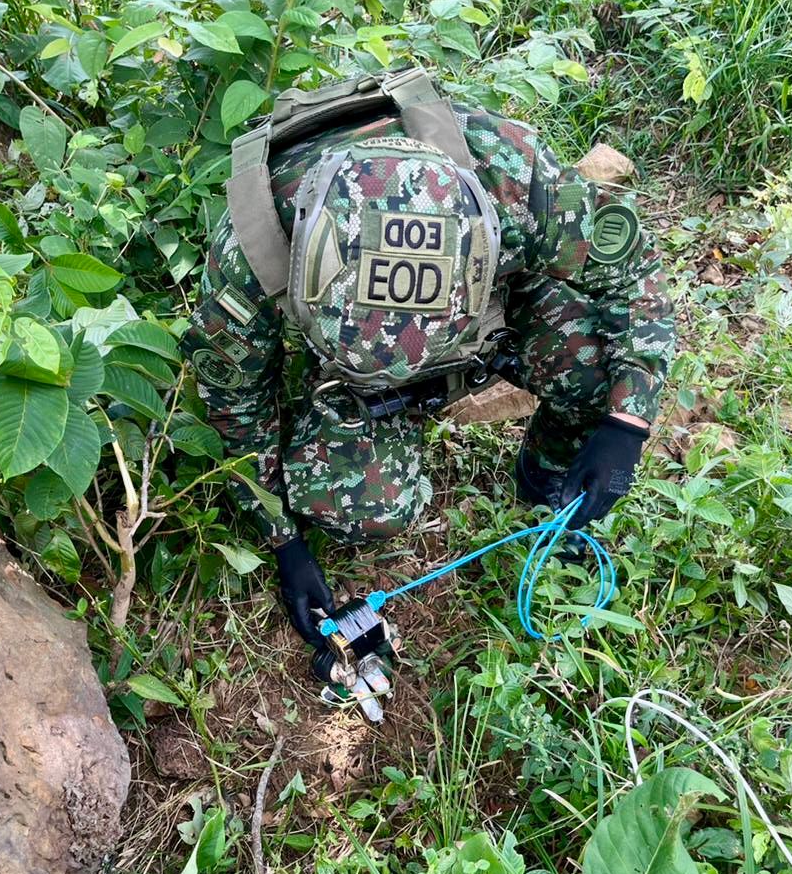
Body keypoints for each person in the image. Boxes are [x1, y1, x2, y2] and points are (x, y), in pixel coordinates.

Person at [181, 69, 673, 654]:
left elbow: (633, 273)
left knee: (596, 372)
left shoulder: (505, 174)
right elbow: (234, 404)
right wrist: (283, 541)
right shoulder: (254, 250)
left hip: (494, 317)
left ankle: (548, 482)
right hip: (350, 382)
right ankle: (379, 400)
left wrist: (626, 423)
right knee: (360, 508)